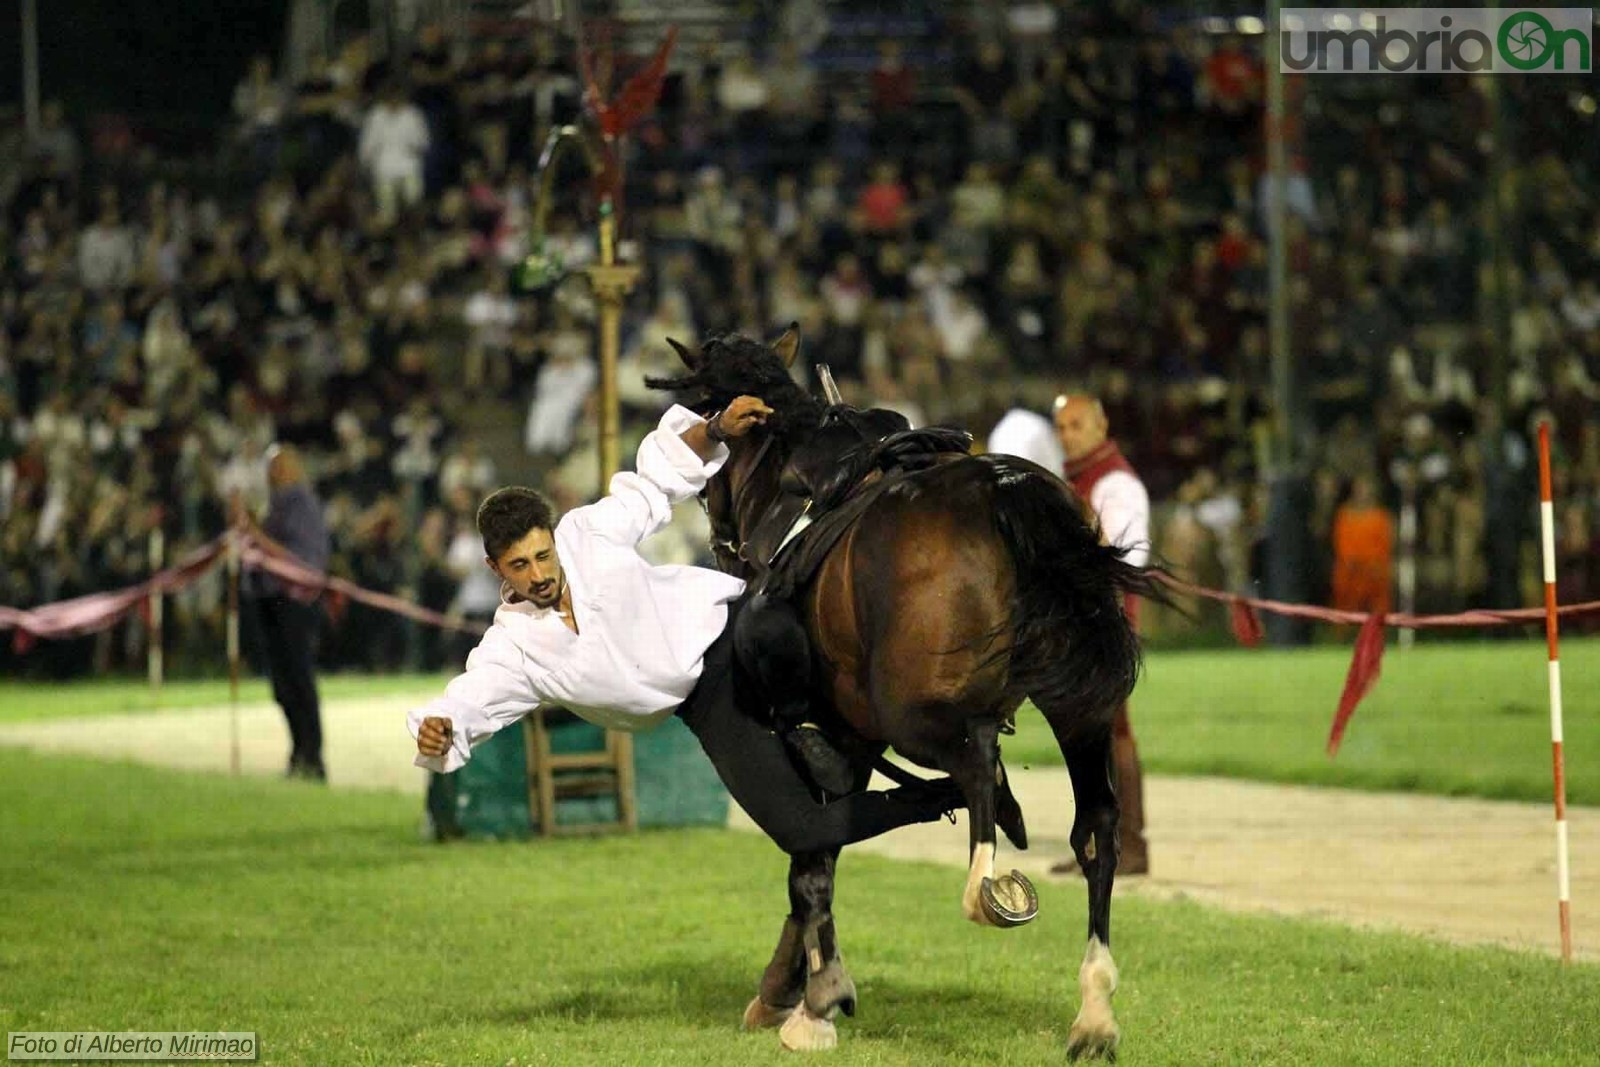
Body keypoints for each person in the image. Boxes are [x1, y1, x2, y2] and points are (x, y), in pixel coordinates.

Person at [409, 398, 962, 854]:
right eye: (519, 566)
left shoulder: (587, 532)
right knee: (803, 832)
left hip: (733, 628)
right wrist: (442, 725)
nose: (539, 574)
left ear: (553, 538)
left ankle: (818, 722)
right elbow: (471, 699)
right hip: (705, 703)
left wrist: (716, 427)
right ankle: (948, 796)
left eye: (542, 555)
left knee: (781, 610)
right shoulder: (512, 647)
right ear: (494, 569)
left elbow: (654, 482)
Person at [1049, 393, 1152, 876]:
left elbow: (1126, 560)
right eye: (1062, 426)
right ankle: (1097, 843)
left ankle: (1132, 844)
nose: (1067, 434)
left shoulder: (1115, 481)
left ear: (1100, 425)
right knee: (1086, 734)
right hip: (1077, 623)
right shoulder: (1076, 480)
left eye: (1076, 425)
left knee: (1116, 730)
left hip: (1105, 626)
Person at [231, 445, 332, 781]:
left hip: (293, 600)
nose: (271, 474)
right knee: (282, 682)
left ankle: (312, 757)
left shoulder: (300, 504)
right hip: (270, 597)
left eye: (277, 467)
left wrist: (253, 533)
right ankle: (298, 752)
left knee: (297, 677)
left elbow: (297, 559)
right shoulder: (276, 506)